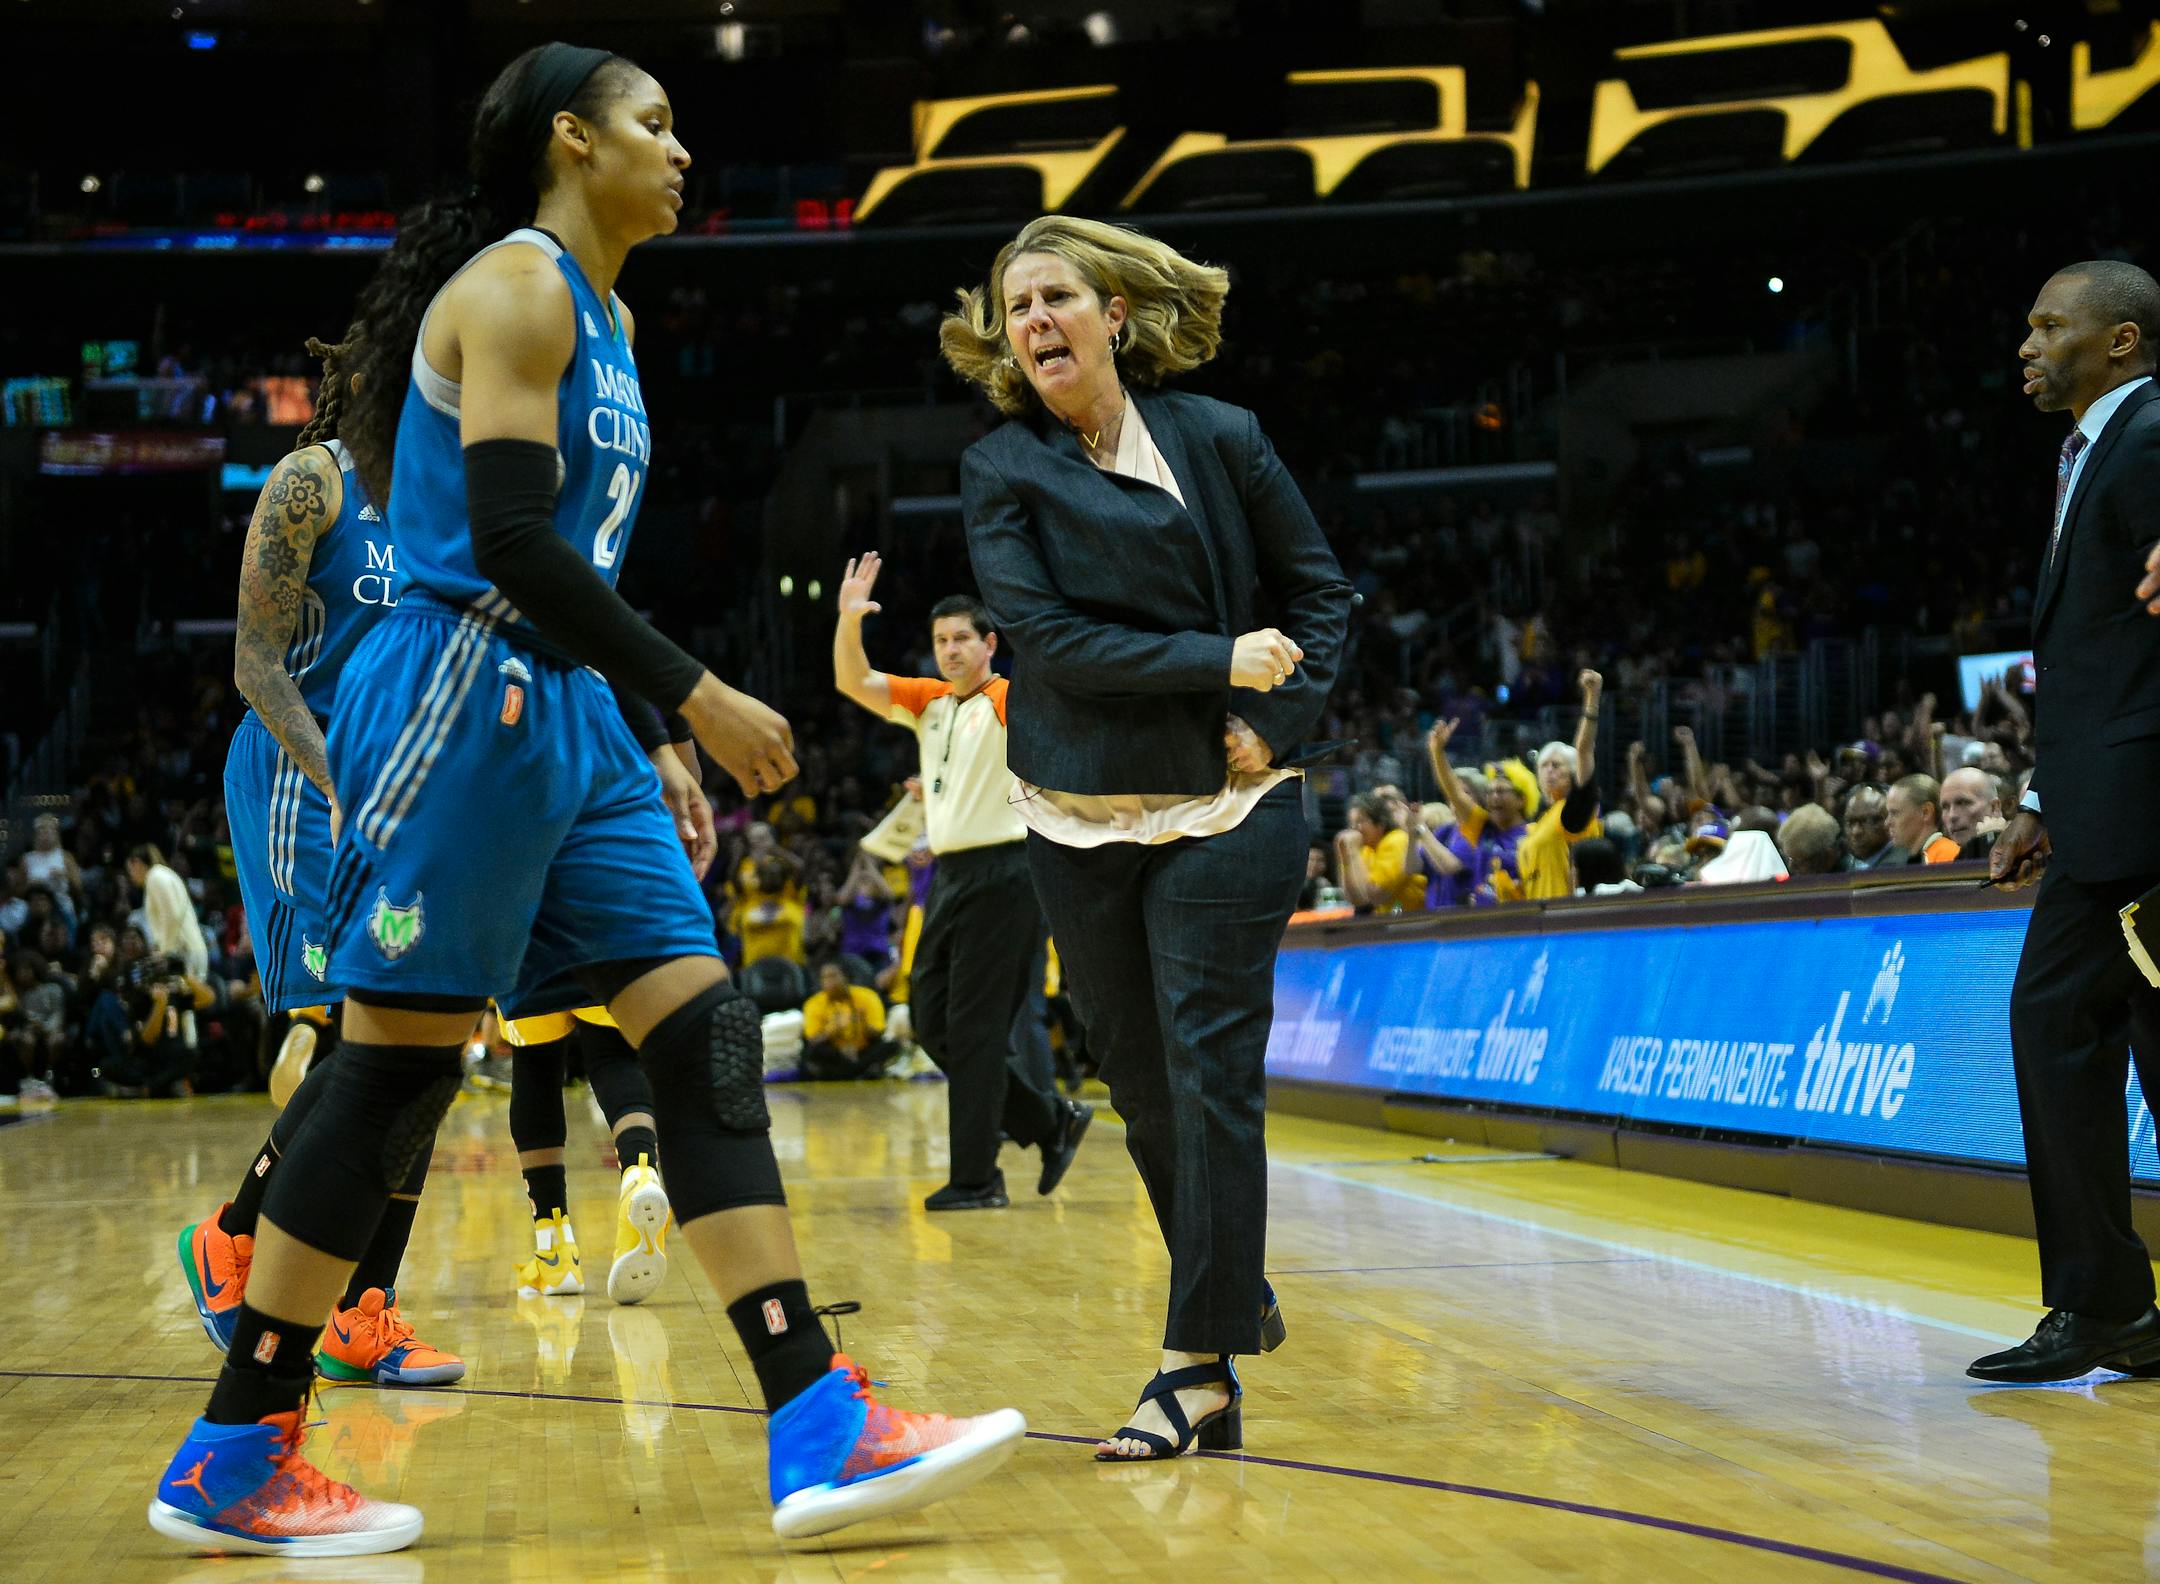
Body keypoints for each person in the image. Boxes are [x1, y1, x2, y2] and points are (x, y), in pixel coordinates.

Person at [149, 43, 1022, 1559]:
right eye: (657, 124)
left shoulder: (607, 314)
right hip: (457, 692)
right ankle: (236, 1443)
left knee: (704, 1036)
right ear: (573, 136)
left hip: (569, 716)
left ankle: (815, 1415)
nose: (685, 152)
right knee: (395, 1071)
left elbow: (579, 573)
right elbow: (504, 542)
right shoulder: (520, 286)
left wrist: (643, 730)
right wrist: (690, 691)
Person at [945, 214, 1351, 1458]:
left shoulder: (1220, 438)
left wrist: (1276, 723)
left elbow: (1321, 595)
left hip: (1228, 806)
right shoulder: (1000, 467)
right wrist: (1217, 658)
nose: (1034, 322)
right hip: (1074, 809)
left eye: (1056, 296)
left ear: (1114, 316)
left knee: (1209, 1065)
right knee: (1136, 1082)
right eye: (1016, 308)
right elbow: (1051, 642)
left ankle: (1193, 1364)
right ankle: (1227, 1299)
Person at [174, 338, 467, 1393]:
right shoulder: (312, 481)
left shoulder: (442, 499)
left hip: (403, 792)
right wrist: (340, 775)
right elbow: (254, 660)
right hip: (306, 777)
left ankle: (361, 1311)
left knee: (427, 1040)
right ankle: (233, 1236)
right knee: (360, 1030)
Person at [1968, 259, 2160, 1384]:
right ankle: (2111, 1306)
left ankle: (2102, 1304)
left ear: (2122, 342)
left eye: (2052, 326)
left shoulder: (2147, 436)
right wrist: (2041, 795)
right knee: (2088, 1031)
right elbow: (2100, 653)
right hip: (2098, 808)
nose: (2029, 345)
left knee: (2053, 1021)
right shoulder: (2091, 449)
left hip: (2139, 818)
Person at [832, 564, 1091, 1208]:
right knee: (928, 1019)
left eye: (961, 640)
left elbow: (1054, 737)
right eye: (941, 640)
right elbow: (851, 680)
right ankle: (1045, 1120)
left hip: (1007, 871)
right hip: (949, 875)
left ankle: (978, 1179)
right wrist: (848, 619)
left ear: (989, 645)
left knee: (972, 1029)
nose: (949, 650)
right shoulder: (930, 703)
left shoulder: (1007, 699)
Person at [498, 1004, 674, 1305]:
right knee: (614, 1053)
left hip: (534, 958)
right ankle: (640, 1171)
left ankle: (555, 1255)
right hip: (600, 957)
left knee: (534, 1062)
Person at [1510, 670, 1604, 900]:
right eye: (1544, 766)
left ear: (1573, 775)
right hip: (1537, 920)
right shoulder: (1539, 822)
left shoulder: (1573, 813)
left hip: (1567, 917)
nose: (1550, 770)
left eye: (1557, 765)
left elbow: (1583, 751)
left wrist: (1592, 699)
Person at [800, 962, 901, 1080]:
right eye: (825, 978)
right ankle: (859, 1072)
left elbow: (878, 1032)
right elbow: (813, 1040)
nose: (829, 982)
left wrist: (862, 1023)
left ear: (846, 977)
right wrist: (832, 1030)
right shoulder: (813, 1003)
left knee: (892, 1045)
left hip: (862, 1050)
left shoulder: (868, 996)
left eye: (833, 976)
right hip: (835, 1054)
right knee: (813, 1052)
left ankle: (846, 1073)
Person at [1334, 792, 1428, 913]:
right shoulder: (1368, 849)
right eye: (1352, 823)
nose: (1355, 829)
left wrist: (1353, 853)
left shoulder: (1397, 840)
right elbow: (1356, 900)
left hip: (1415, 919)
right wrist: (1345, 857)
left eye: (1360, 821)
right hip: (1390, 922)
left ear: (1380, 824)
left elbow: (1375, 896)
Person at [1886, 773, 1960, 864]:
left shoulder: (1946, 855)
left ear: (1926, 812)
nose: (1887, 822)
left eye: (1895, 813)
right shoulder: (1917, 858)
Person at [1841, 785, 1900, 869]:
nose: (1856, 831)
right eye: (1849, 822)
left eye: (1868, 821)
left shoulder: (1904, 865)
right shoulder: (1845, 865)